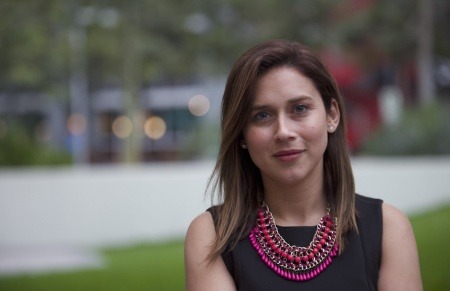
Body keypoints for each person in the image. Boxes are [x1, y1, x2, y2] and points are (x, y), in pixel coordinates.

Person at [184, 39, 422, 291]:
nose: (283, 132)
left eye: (299, 108)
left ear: (331, 115)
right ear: (241, 134)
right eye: (262, 115)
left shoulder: (388, 229)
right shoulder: (212, 236)